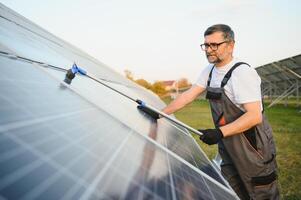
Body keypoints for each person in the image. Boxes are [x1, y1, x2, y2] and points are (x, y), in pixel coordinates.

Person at [157, 24, 279, 199]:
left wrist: (219, 133)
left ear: (230, 45)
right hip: (228, 145)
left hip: (253, 147)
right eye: (206, 45)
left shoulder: (242, 73)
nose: (208, 50)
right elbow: (188, 96)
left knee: (260, 191)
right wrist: (160, 112)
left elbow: (254, 116)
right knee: (230, 191)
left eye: (214, 45)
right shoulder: (210, 71)